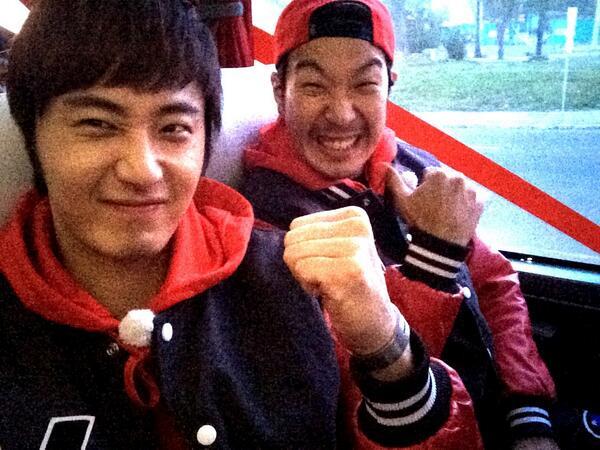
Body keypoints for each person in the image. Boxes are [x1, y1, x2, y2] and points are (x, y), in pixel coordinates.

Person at [0, 0, 484, 448]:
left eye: (174, 128)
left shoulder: (291, 278)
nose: (142, 170)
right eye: (97, 124)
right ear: (32, 132)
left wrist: (386, 347)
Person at [242, 0, 558, 449]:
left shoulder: (410, 166)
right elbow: (359, 400)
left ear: (389, 87)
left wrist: (528, 417)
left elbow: (493, 281)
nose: (342, 113)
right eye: (314, 86)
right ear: (280, 91)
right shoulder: (263, 226)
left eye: (365, 85)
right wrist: (434, 257)